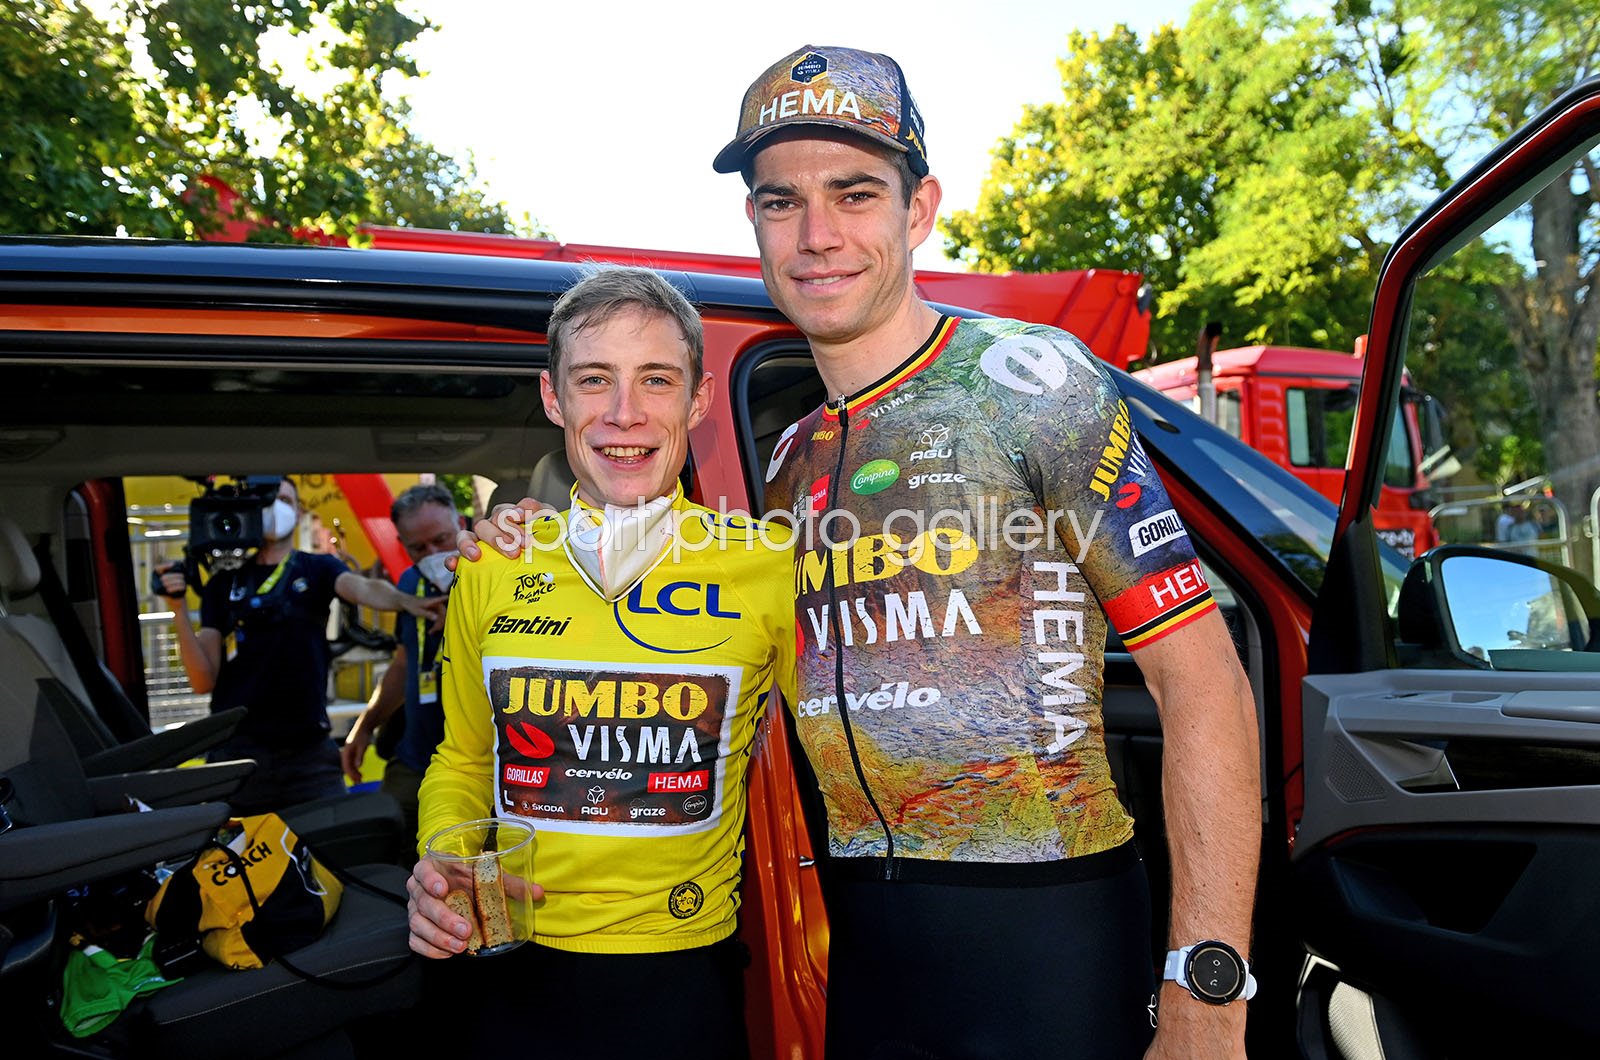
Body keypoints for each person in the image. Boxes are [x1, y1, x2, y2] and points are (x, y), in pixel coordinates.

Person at [714, 46, 1260, 1059]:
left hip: (1046, 932)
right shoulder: (792, 456)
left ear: (918, 210)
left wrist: (1205, 988)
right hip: (869, 942)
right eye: (781, 201)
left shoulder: (1032, 382)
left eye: (853, 192)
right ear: (753, 221)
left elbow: (1205, 687)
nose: (818, 233)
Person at [405, 267, 795, 1060]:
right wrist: (443, 853)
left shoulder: (769, 568)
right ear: (553, 398)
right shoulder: (492, 562)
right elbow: (464, 757)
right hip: (506, 965)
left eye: (656, 379)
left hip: (683, 977)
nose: (625, 414)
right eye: (594, 380)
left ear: (698, 398)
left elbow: (856, 752)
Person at [161, 475, 445, 814]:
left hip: (308, 753)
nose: (275, 507)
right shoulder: (224, 584)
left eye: (285, 500)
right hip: (238, 753)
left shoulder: (317, 569)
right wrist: (177, 608)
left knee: (333, 851)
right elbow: (202, 680)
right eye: (266, 499)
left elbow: (362, 589)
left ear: (298, 513)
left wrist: (402, 599)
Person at [340, 483, 461, 838]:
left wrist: (458, 618)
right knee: (387, 845)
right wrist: (364, 727)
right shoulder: (410, 583)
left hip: (477, 765)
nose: (433, 553)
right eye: (418, 547)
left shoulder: (497, 575)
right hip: (417, 757)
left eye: (442, 539)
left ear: (462, 524)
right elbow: (404, 663)